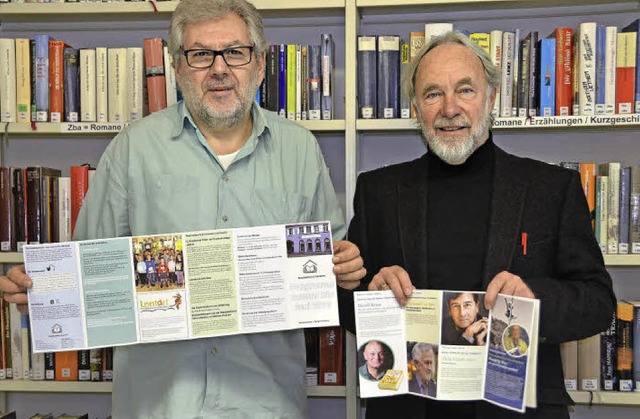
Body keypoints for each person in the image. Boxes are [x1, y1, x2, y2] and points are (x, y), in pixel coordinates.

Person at [0, 0, 365, 417]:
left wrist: (345, 266)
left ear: (260, 64)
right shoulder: (132, 149)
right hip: (158, 404)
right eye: (200, 55)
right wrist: (45, 291)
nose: (220, 68)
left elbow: (328, 262)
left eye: (235, 52)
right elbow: (88, 269)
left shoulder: (300, 150)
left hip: (266, 403)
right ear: (176, 68)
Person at [340, 30, 615, 419]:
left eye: (465, 90)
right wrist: (371, 294)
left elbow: (598, 302)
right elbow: (346, 306)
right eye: (433, 94)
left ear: (491, 98)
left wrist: (533, 298)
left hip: (517, 409)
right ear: (416, 109)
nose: (450, 108)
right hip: (407, 407)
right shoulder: (377, 191)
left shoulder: (552, 189)